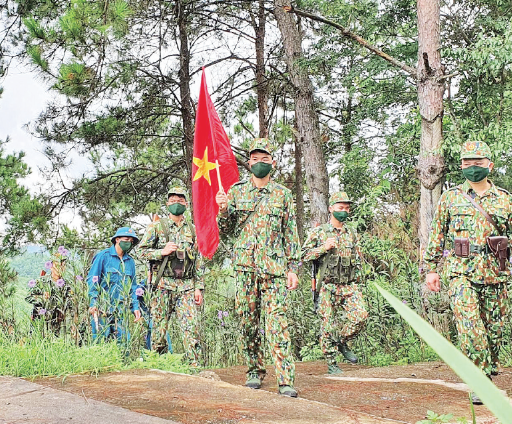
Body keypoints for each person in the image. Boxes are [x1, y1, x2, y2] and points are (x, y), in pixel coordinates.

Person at [423, 140, 512, 404]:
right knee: (470, 328)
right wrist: (431, 268)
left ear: (490, 165)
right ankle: (479, 379)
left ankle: (488, 363)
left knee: (493, 330)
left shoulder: (504, 199)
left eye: (478, 162)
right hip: (461, 272)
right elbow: (437, 235)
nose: (472, 167)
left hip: (495, 272)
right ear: (461, 165)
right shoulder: (450, 197)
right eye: (467, 162)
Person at [215, 138, 301, 397]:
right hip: (244, 269)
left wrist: (293, 267)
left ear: (272, 163)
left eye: (265, 159)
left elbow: (290, 233)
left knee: (277, 324)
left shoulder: (283, 195)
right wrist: (222, 210)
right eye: (255, 159)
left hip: (274, 270)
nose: (260, 163)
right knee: (248, 322)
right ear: (249, 162)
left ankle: (285, 380)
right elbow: (227, 232)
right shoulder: (236, 191)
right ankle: (254, 370)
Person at [301, 192, 368, 374]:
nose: (344, 211)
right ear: (331, 209)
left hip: (348, 285)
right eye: (340, 208)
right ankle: (332, 363)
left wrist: (360, 281)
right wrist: (324, 247)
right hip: (327, 286)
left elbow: (358, 259)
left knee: (361, 316)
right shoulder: (319, 232)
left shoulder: (351, 233)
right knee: (327, 325)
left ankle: (341, 341)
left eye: (347, 208)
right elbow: (303, 255)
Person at [137, 185, 203, 367]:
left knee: (191, 328)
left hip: (187, 286)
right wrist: (161, 252)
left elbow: (198, 260)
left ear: (186, 203)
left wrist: (199, 287)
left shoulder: (193, 229)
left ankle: (194, 366)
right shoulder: (157, 227)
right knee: (158, 328)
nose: (177, 204)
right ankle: (157, 365)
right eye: (173, 201)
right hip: (162, 285)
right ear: (167, 204)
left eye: (180, 200)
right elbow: (141, 252)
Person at [87, 227, 143, 342]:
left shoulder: (130, 262)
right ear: (117, 239)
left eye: (131, 241)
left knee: (123, 343)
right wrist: (93, 303)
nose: (129, 242)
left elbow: (133, 287)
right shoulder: (103, 256)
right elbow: (93, 280)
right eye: (126, 239)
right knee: (100, 343)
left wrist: (135, 308)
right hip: (103, 308)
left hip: (121, 310)